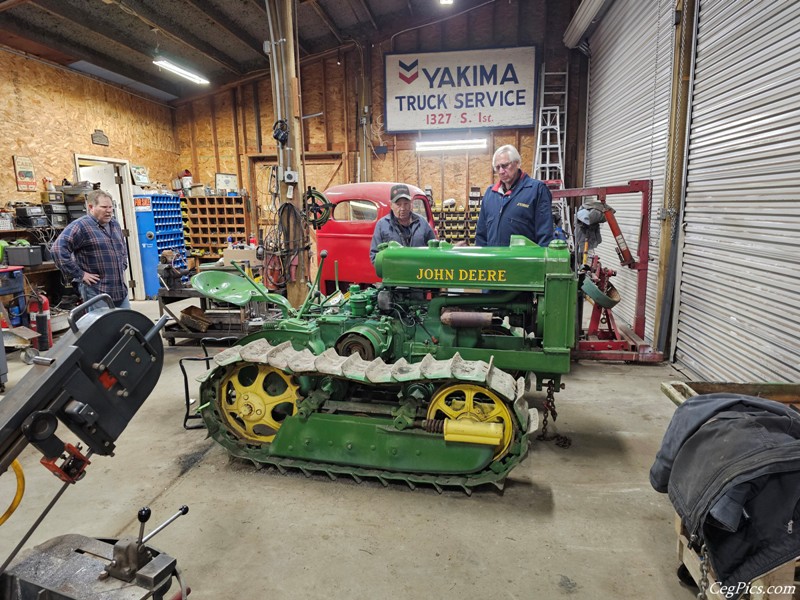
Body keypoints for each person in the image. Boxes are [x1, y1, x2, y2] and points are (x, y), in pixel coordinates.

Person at [53, 188, 130, 309]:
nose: (109, 211)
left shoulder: (114, 224)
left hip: (119, 289)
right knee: (102, 326)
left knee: (126, 324)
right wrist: (80, 274)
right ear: (91, 207)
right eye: (104, 207)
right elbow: (57, 249)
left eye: (110, 207)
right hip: (96, 290)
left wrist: (123, 264)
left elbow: (122, 248)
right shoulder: (81, 226)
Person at [475, 145, 555, 247]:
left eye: (505, 165)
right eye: (497, 167)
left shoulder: (536, 190)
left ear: (517, 163)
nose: (501, 171)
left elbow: (545, 236)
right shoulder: (490, 194)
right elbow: (481, 235)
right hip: (494, 261)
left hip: (522, 261)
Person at [369, 183, 436, 264]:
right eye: (398, 204)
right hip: (395, 274)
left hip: (418, 273)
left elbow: (434, 250)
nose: (402, 208)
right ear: (391, 205)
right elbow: (374, 256)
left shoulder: (422, 223)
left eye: (406, 204)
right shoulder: (382, 225)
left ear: (411, 204)